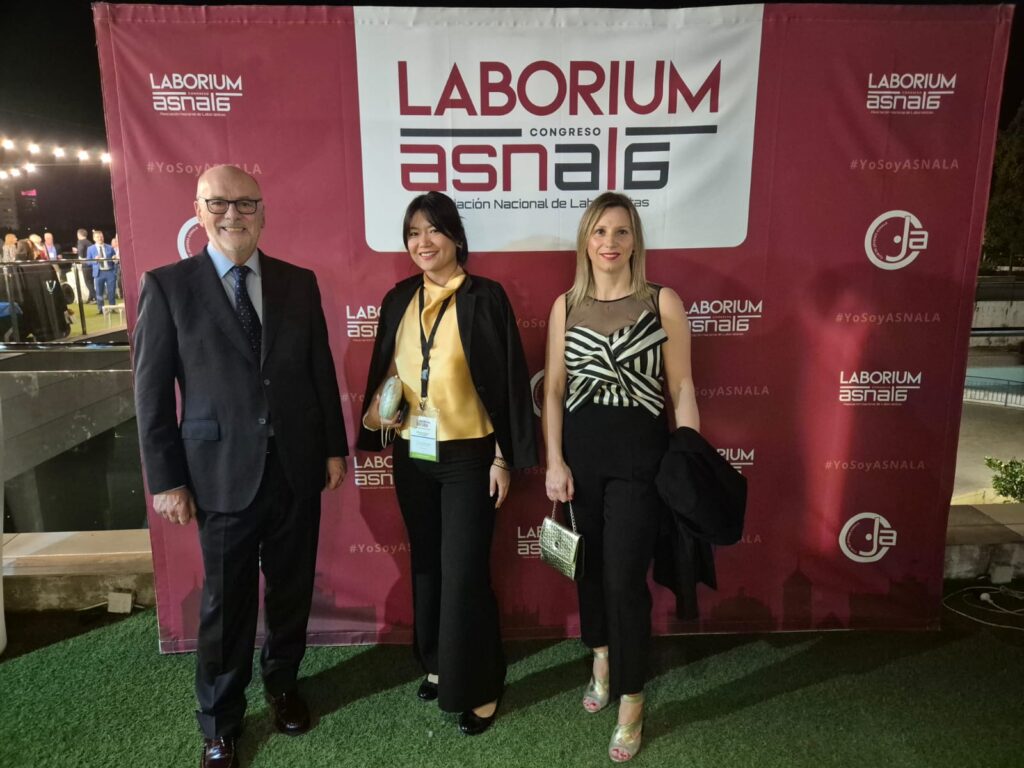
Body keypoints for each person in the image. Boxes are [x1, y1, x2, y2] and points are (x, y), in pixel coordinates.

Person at [133, 165, 348, 768]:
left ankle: (283, 684)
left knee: (291, 589)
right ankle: (220, 720)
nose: (234, 214)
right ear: (198, 212)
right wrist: (167, 479)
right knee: (226, 604)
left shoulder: (297, 283)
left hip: (296, 467)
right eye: (219, 203)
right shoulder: (168, 286)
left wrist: (333, 448)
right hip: (218, 473)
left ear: (263, 212)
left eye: (246, 203)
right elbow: (151, 393)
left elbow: (319, 371)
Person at [358, 191, 536, 736]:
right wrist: (382, 409)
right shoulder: (398, 298)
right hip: (414, 453)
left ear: (456, 236)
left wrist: (503, 458)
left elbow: (508, 383)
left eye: (434, 230)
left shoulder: (486, 297)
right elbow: (387, 371)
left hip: (470, 457)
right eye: (413, 233)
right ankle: (437, 661)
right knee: (428, 566)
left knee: (464, 573)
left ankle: (481, 685)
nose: (423, 242)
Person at [543, 192, 699, 763]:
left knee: (625, 581)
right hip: (582, 460)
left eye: (621, 231)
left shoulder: (662, 302)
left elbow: (681, 386)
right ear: (586, 241)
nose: (610, 242)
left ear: (636, 240)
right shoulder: (566, 305)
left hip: (641, 462)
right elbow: (552, 390)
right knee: (589, 570)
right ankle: (602, 656)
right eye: (600, 231)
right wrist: (554, 461)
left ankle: (632, 697)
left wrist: (689, 456)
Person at [86, 230, 117, 312]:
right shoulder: (90, 249)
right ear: (94, 238)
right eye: (98, 237)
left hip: (110, 272)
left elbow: (115, 259)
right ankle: (101, 309)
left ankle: (112, 308)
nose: (100, 238)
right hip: (99, 273)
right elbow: (88, 262)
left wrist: (114, 258)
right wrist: (95, 260)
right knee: (99, 292)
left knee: (111, 291)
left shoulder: (110, 247)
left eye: (101, 236)